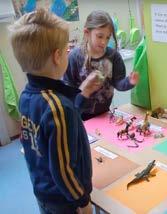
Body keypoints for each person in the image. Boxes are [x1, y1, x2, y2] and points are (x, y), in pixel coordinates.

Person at [8, 9, 101, 214]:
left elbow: (59, 123)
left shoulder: (27, 96)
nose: (69, 52)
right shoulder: (57, 107)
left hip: (43, 191)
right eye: (66, 49)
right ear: (58, 56)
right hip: (66, 201)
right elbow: (64, 170)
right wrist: (83, 201)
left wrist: (83, 93)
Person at [64, 10, 139, 120]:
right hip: (79, 116)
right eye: (100, 36)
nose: (104, 42)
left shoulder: (114, 56)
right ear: (87, 33)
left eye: (107, 37)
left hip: (104, 114)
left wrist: (129, 82)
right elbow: (67, 90)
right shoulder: (74, 57)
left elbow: (118, 83)